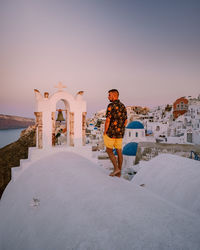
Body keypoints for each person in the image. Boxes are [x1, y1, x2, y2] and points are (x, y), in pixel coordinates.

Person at [103, 89, 127, 177]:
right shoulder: (123, 106)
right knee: (119, 151)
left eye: (109, 95)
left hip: (111, 133)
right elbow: (126, 121)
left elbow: (108, 120)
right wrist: (121, 129)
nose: (108, 97)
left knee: (109, 151)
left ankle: (116, 168)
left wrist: (105, 131)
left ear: (114, 95)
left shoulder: (111, 105)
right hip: (120, 133)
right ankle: (119, 172)